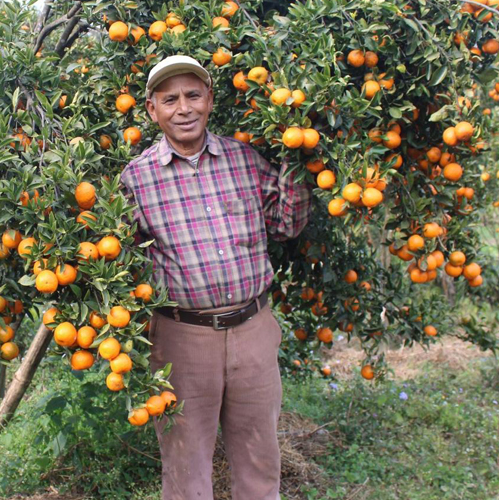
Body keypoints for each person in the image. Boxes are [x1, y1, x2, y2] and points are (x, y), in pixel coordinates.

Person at [119, 55, 311, 500]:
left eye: (192, 95)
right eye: (170, 99)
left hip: (253, 329)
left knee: (260, 455)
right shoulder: (137, 180)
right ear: (152, 110)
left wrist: (297, 164)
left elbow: (285, 224)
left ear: (208, 99)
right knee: (186, 467)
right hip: (182, 338)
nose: (183, 108)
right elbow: (123, 263)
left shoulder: (244, 159)